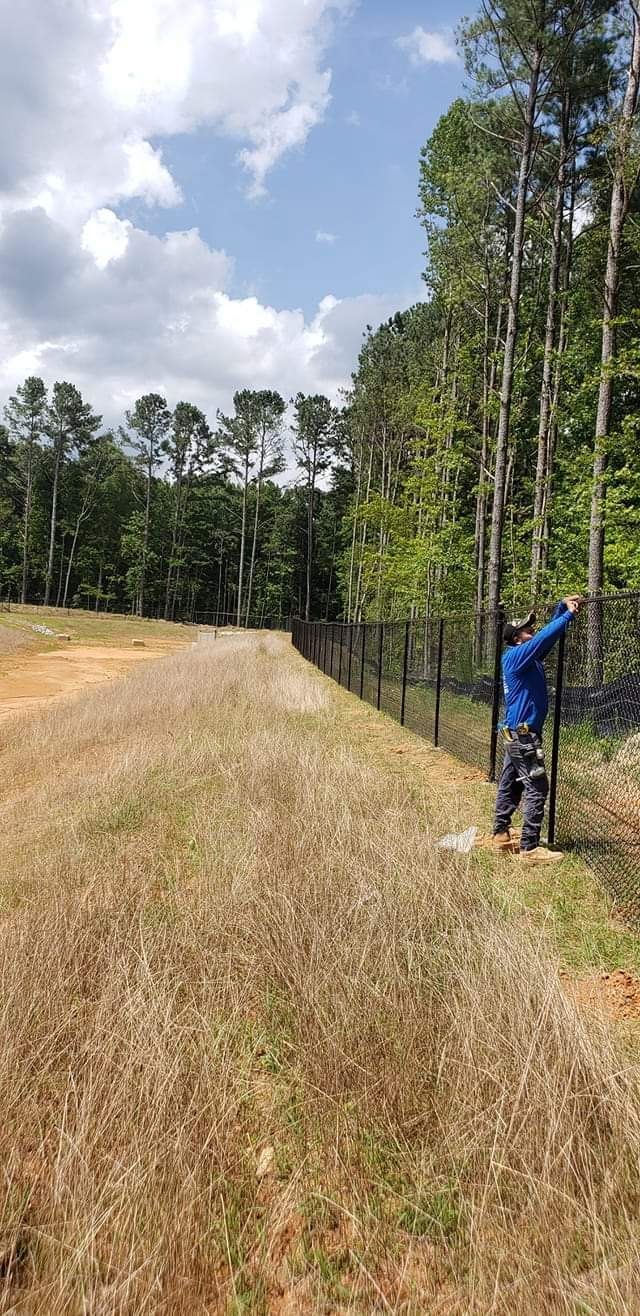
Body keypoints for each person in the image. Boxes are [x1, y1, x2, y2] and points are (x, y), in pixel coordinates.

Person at [492, 595, 584, 864]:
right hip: (524, 737)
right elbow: (545, 637)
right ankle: (530, 848)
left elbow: (548, 637)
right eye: (528, 630)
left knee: (510, 783)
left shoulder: (526, 658)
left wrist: (562, 609)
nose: (533, 631)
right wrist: (567, 615)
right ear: (517, 638)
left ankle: (500, 833)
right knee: (537, 787)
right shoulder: (516, 658)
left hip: (515, 734)